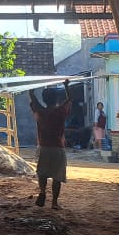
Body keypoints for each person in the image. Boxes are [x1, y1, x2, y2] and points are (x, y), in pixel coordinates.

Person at [30, 80, 72, 209]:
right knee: (57, 177)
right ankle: (54, 202)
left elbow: (32, 98)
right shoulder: (60, 112)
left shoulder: (41, 111)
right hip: (57, 148)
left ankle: (42, 192)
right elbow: (70, 99)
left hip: (43, 148)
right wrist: (66, 86)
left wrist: (32, 88)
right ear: (56, 99)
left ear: (44, 99)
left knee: (42, 173)